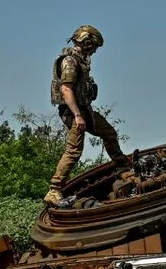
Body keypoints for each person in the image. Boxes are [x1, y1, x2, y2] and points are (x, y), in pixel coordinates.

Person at [44, 24, 132, 204]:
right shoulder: (70, 61)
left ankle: (122, 166)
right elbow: (66, 89)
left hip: (85, 110)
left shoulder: (80, 60)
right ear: (87, 43)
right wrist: (77, 115)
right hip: (74, 111)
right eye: (94, 47)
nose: (94, 52)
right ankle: (54, 190)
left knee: (108, 132)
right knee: (74, 150)